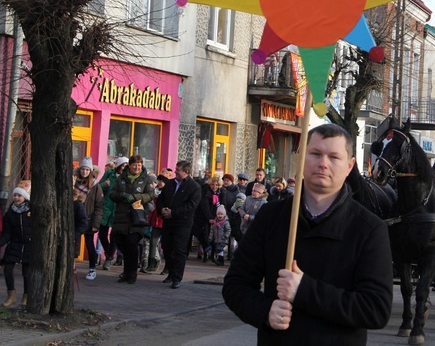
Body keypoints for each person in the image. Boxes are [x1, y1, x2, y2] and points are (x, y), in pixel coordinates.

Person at [223, 123, 393, 345]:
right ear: (302, 158)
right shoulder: (271, 217)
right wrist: (264, 312)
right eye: (315, 154)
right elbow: (236, 285)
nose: (323, 163)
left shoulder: (369, 229)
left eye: (334, 157)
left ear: (350, 166)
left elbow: (375, 309)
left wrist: (304, 290)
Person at [109, 154, 155, 284]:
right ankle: (126, 272)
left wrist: (136, 197)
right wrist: (123, 195)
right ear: (129, 165)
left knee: (132, 245)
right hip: (121, 217)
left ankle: (132, 273)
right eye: (134, 165)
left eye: (139, 165)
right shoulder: (121, 178)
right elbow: (112, 194)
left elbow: (150, 195)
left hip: (137, 218)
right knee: (122, 244)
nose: (137, 167)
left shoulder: (146, 179)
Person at [156, 160, 202, 289]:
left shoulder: (194, 187)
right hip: (168, 222)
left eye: (178, 169)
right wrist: (162, 210)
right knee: (167, 247)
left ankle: (177, 277)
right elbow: (160, 199)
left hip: (183, 223)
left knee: (179, 250)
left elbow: (191, 206)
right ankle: (170, 273)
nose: (175, 171)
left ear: (186, 172)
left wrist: (174, 212)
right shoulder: (170, 184)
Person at [0, 187, 32, 307]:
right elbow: (7, 233)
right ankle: (11, 296)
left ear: (24, 197)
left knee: (27, 272)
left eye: (19, 195)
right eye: (14, 195)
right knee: (8, 269)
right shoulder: (10, 213)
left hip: (29, 245)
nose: (16, 198)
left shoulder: (31, 212)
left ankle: (26, 296)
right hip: (14, 244)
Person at [74, 157, 104, 281]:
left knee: (89, 245)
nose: (84, 172)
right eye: (83, 169)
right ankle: (71, 265)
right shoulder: (74, 182)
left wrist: (96, 223)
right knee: (73, 243)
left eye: (87, 170)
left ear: (90, 171)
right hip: (75, 219)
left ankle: (92, 269)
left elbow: (99, 206)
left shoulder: (96, 186)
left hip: (89, 219)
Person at [98, 156, 128, 271]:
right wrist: (104, 185)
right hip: (107, 207)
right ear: (119, 166)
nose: (125, 168)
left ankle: (109, 259)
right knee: (102, 234)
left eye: (126, 165)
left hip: (118, 210)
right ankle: (108, 254)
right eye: (123, 165)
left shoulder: (126, 178)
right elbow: (99, 187)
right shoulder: (110, 174)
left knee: (114, 236)